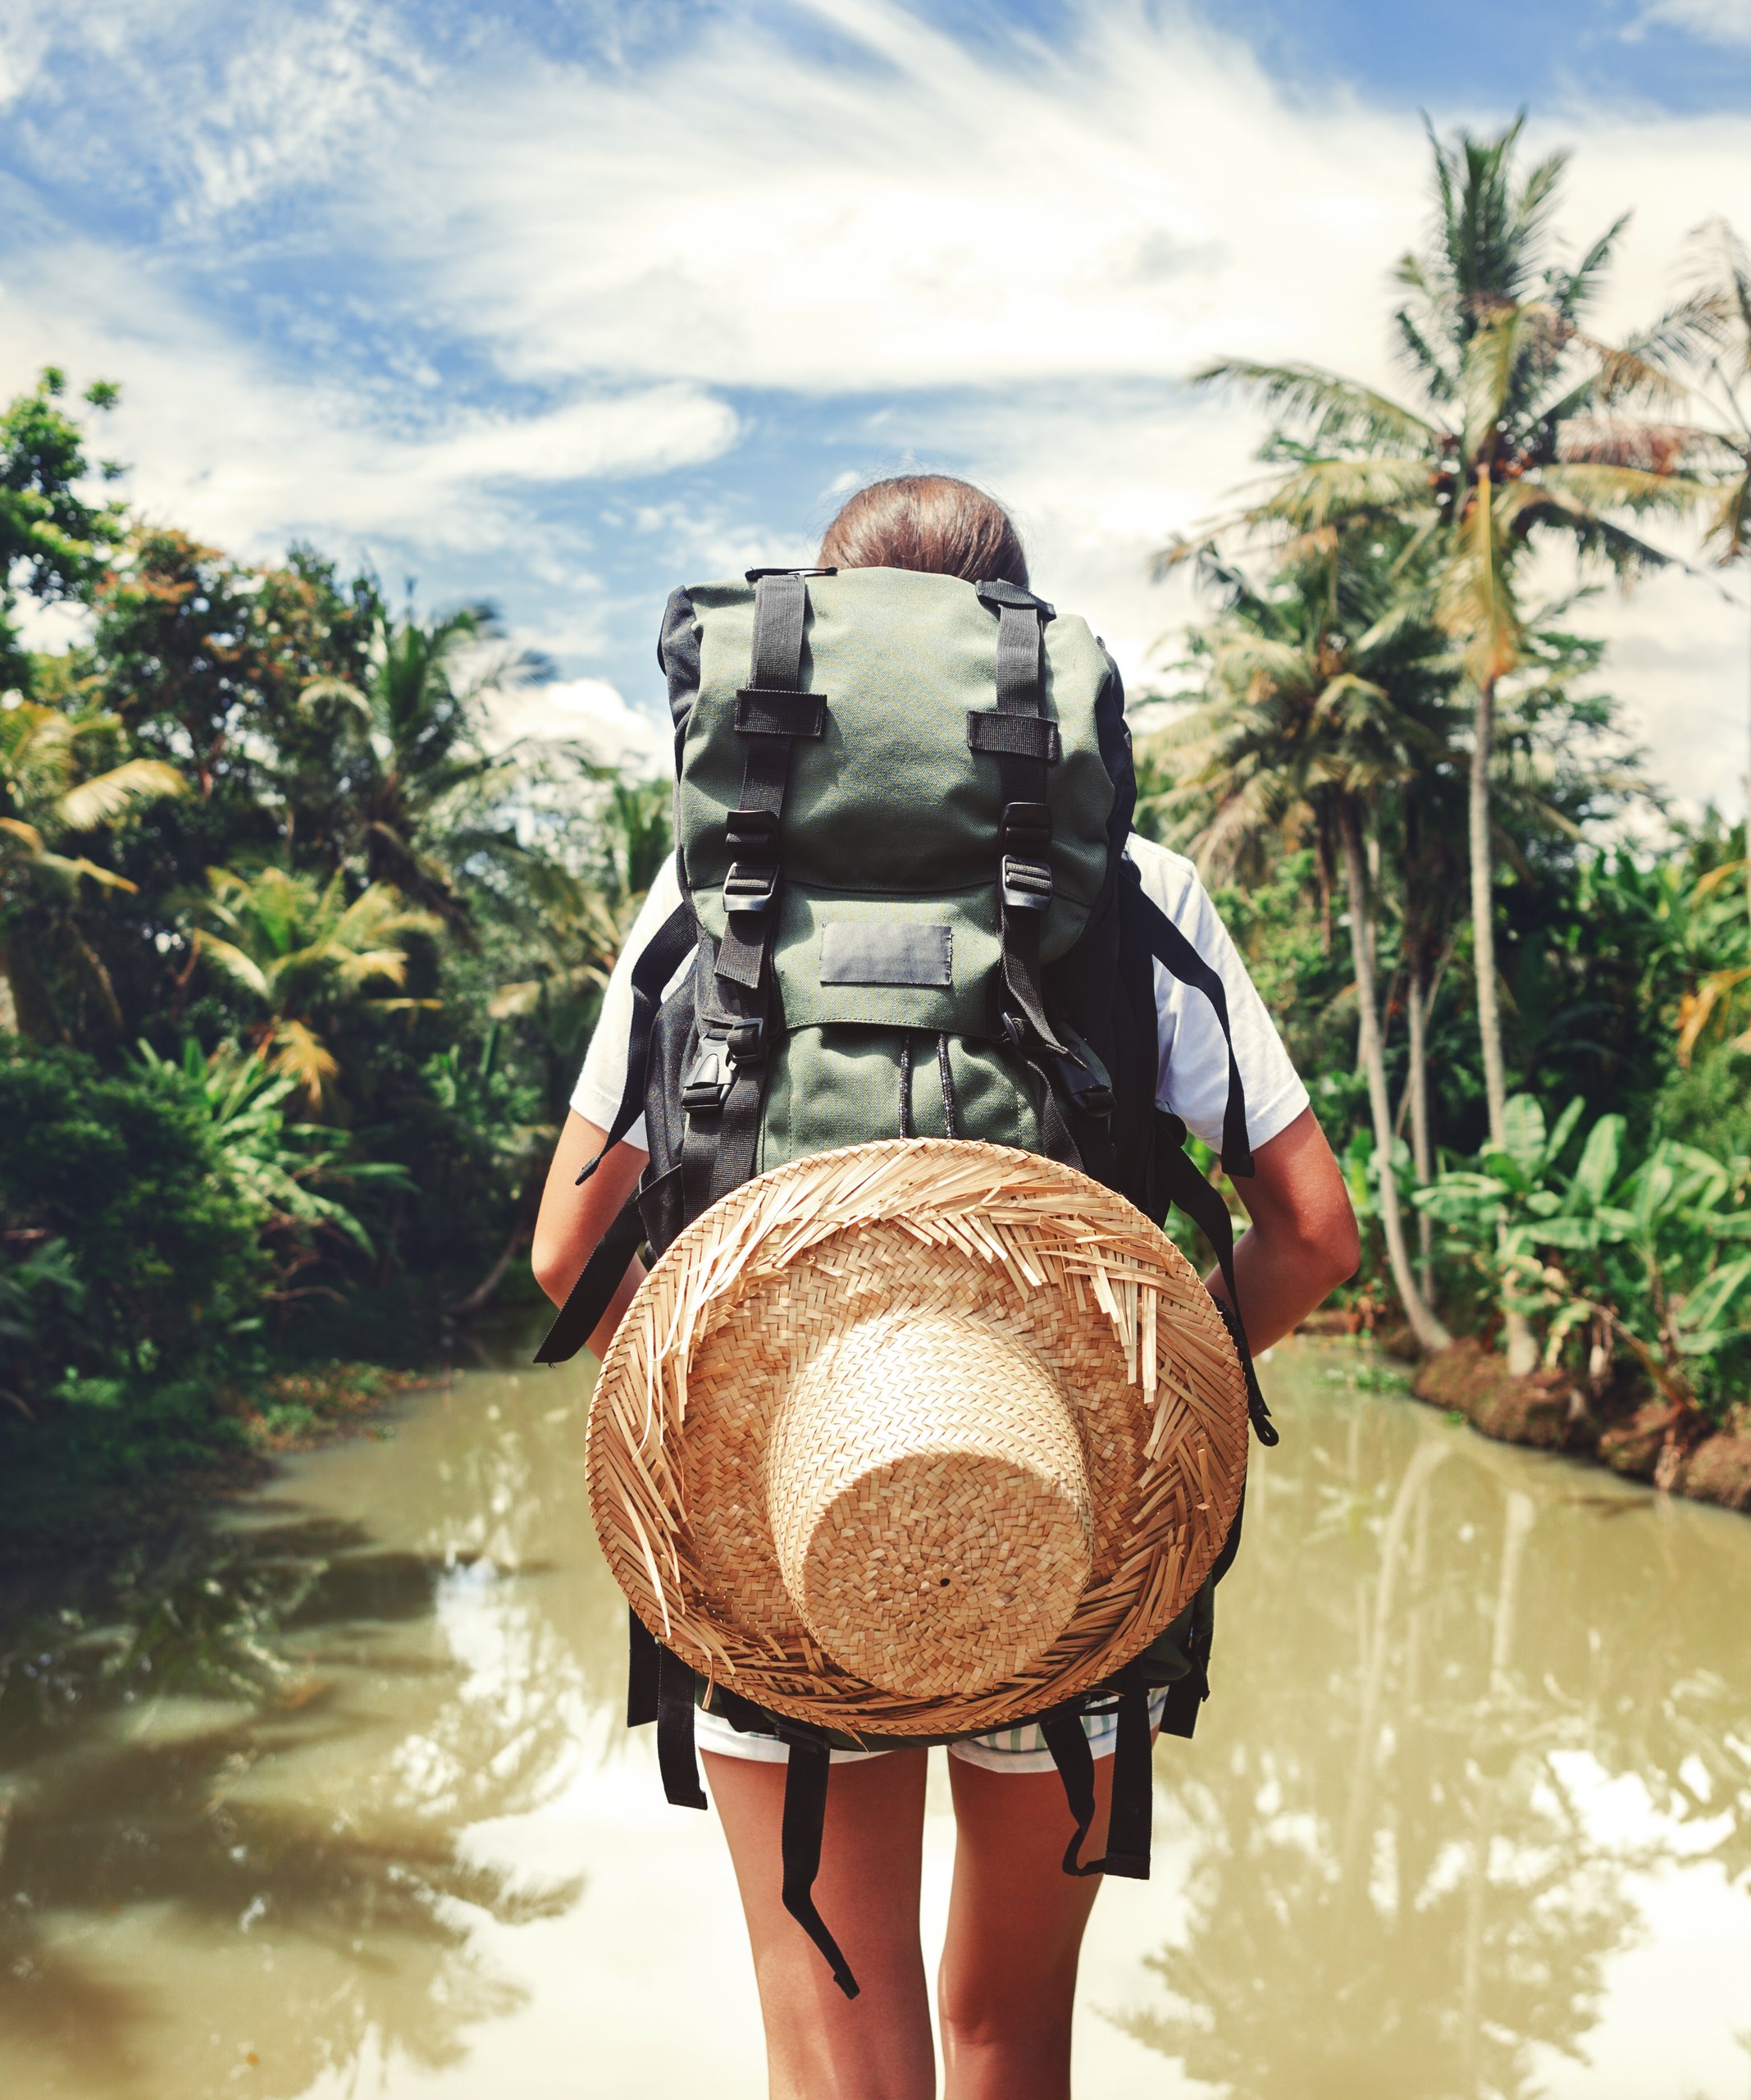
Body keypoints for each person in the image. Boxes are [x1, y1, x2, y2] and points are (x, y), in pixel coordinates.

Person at [532, 473, 1359, 2100]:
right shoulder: (1142, 888)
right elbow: (1317, 1231)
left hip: (772, 1526)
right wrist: (1146, 1407)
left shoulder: (710, 893)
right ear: (1019, 663)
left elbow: (567, 1250)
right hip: (1064, 1526)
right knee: (1008, 2031)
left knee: (833, 2039)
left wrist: (717, 1431)